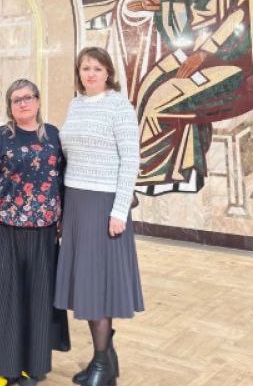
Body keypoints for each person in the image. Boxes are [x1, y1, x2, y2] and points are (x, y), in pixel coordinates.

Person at [55, 47, 144, 386]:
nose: (90, 74)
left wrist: (119, 210)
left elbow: (130, 160)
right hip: (76, 201)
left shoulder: (120, 106)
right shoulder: (76, 105)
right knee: (87, 283)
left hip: (103, 203)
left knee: (97, 286)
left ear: (108, 72)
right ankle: (104, 357)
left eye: (96, 68)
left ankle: (103, 366)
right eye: (85, 68)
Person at [0, 79, 70, 386]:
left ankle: (33, 367)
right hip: (5, 231)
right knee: (5, 301)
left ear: (38, 102)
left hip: (44, 233)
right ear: (10, 106)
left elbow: (64, 180)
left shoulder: (53, 136)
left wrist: (64, 221)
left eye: (28, 98)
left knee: (37, 302)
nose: (23, 103)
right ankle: (5, 369)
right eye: (17, 100)